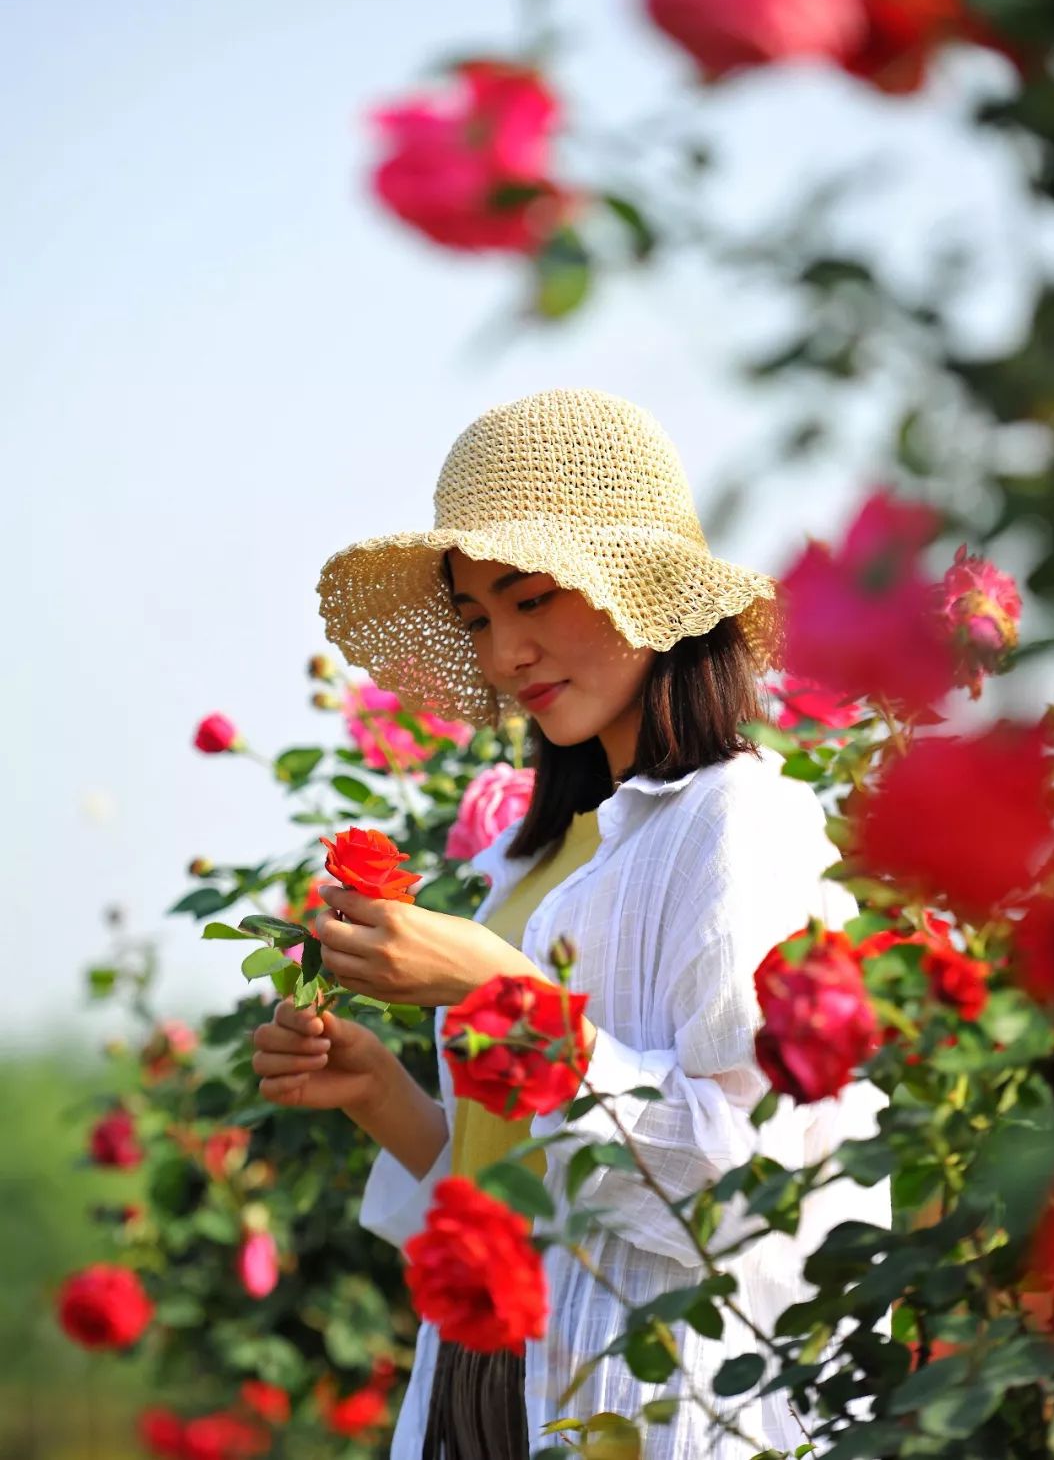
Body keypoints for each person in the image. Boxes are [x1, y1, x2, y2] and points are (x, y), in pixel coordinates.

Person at [252, 388, 890, 1460]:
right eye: (476, 619)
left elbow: (745, 1188)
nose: (506, 651)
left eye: (532, 597)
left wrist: (501, 993)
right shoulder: (528, 857)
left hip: (649, 1397)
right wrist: (379, 1091)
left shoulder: (740, 824)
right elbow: (522, 1187)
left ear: (639, 585)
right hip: (482, 1378)